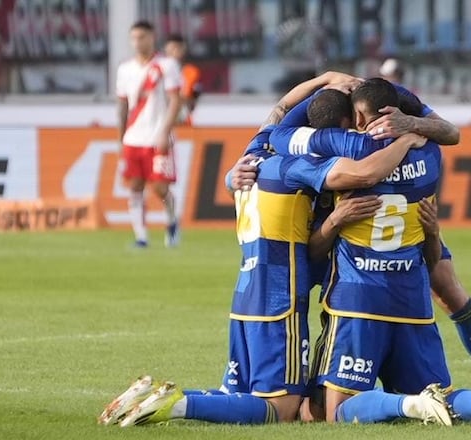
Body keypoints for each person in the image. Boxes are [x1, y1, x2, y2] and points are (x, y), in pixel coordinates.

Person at [99, 72, 446, 427]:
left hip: (245, 296)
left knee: (241, 394)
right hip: (281, 300)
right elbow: (360, 175)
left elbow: (281, 107)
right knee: (282, 410)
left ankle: (152, 395)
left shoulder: (255, 149)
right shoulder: (297, 166)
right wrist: (405, 141)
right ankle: (178, 404)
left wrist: (322, 80)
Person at [271, 83, 471, 421]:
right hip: (411, 259)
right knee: (446, 289)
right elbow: (449, 133)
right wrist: (413, 132)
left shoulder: (347, 145)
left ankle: (394, 399)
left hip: (359, 291)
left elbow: (281, 136)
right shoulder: (429, 152)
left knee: (326, 410)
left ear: (360, 115)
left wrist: (323, 84)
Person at [116, 21, 182, 248]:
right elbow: (123, 105)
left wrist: (165, 131)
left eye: (142, 37)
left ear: (152, 37)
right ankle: (141, 237)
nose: (138, 42)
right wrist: (121, 137)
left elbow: (176, 100)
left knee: (160, 188)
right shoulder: (125, 69)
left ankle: (172, 220)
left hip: (157, 137)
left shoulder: (166, 65)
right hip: (133, 138)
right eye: (134, 38)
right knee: (135, 185)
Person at [164, 34, 202, 126]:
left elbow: (192, 97)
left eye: (177, 48)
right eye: (171, 49)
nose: (174, 52)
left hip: (184, 121)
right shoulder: (158, 71)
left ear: (183, 49)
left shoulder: (191, 72)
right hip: (161, 120)